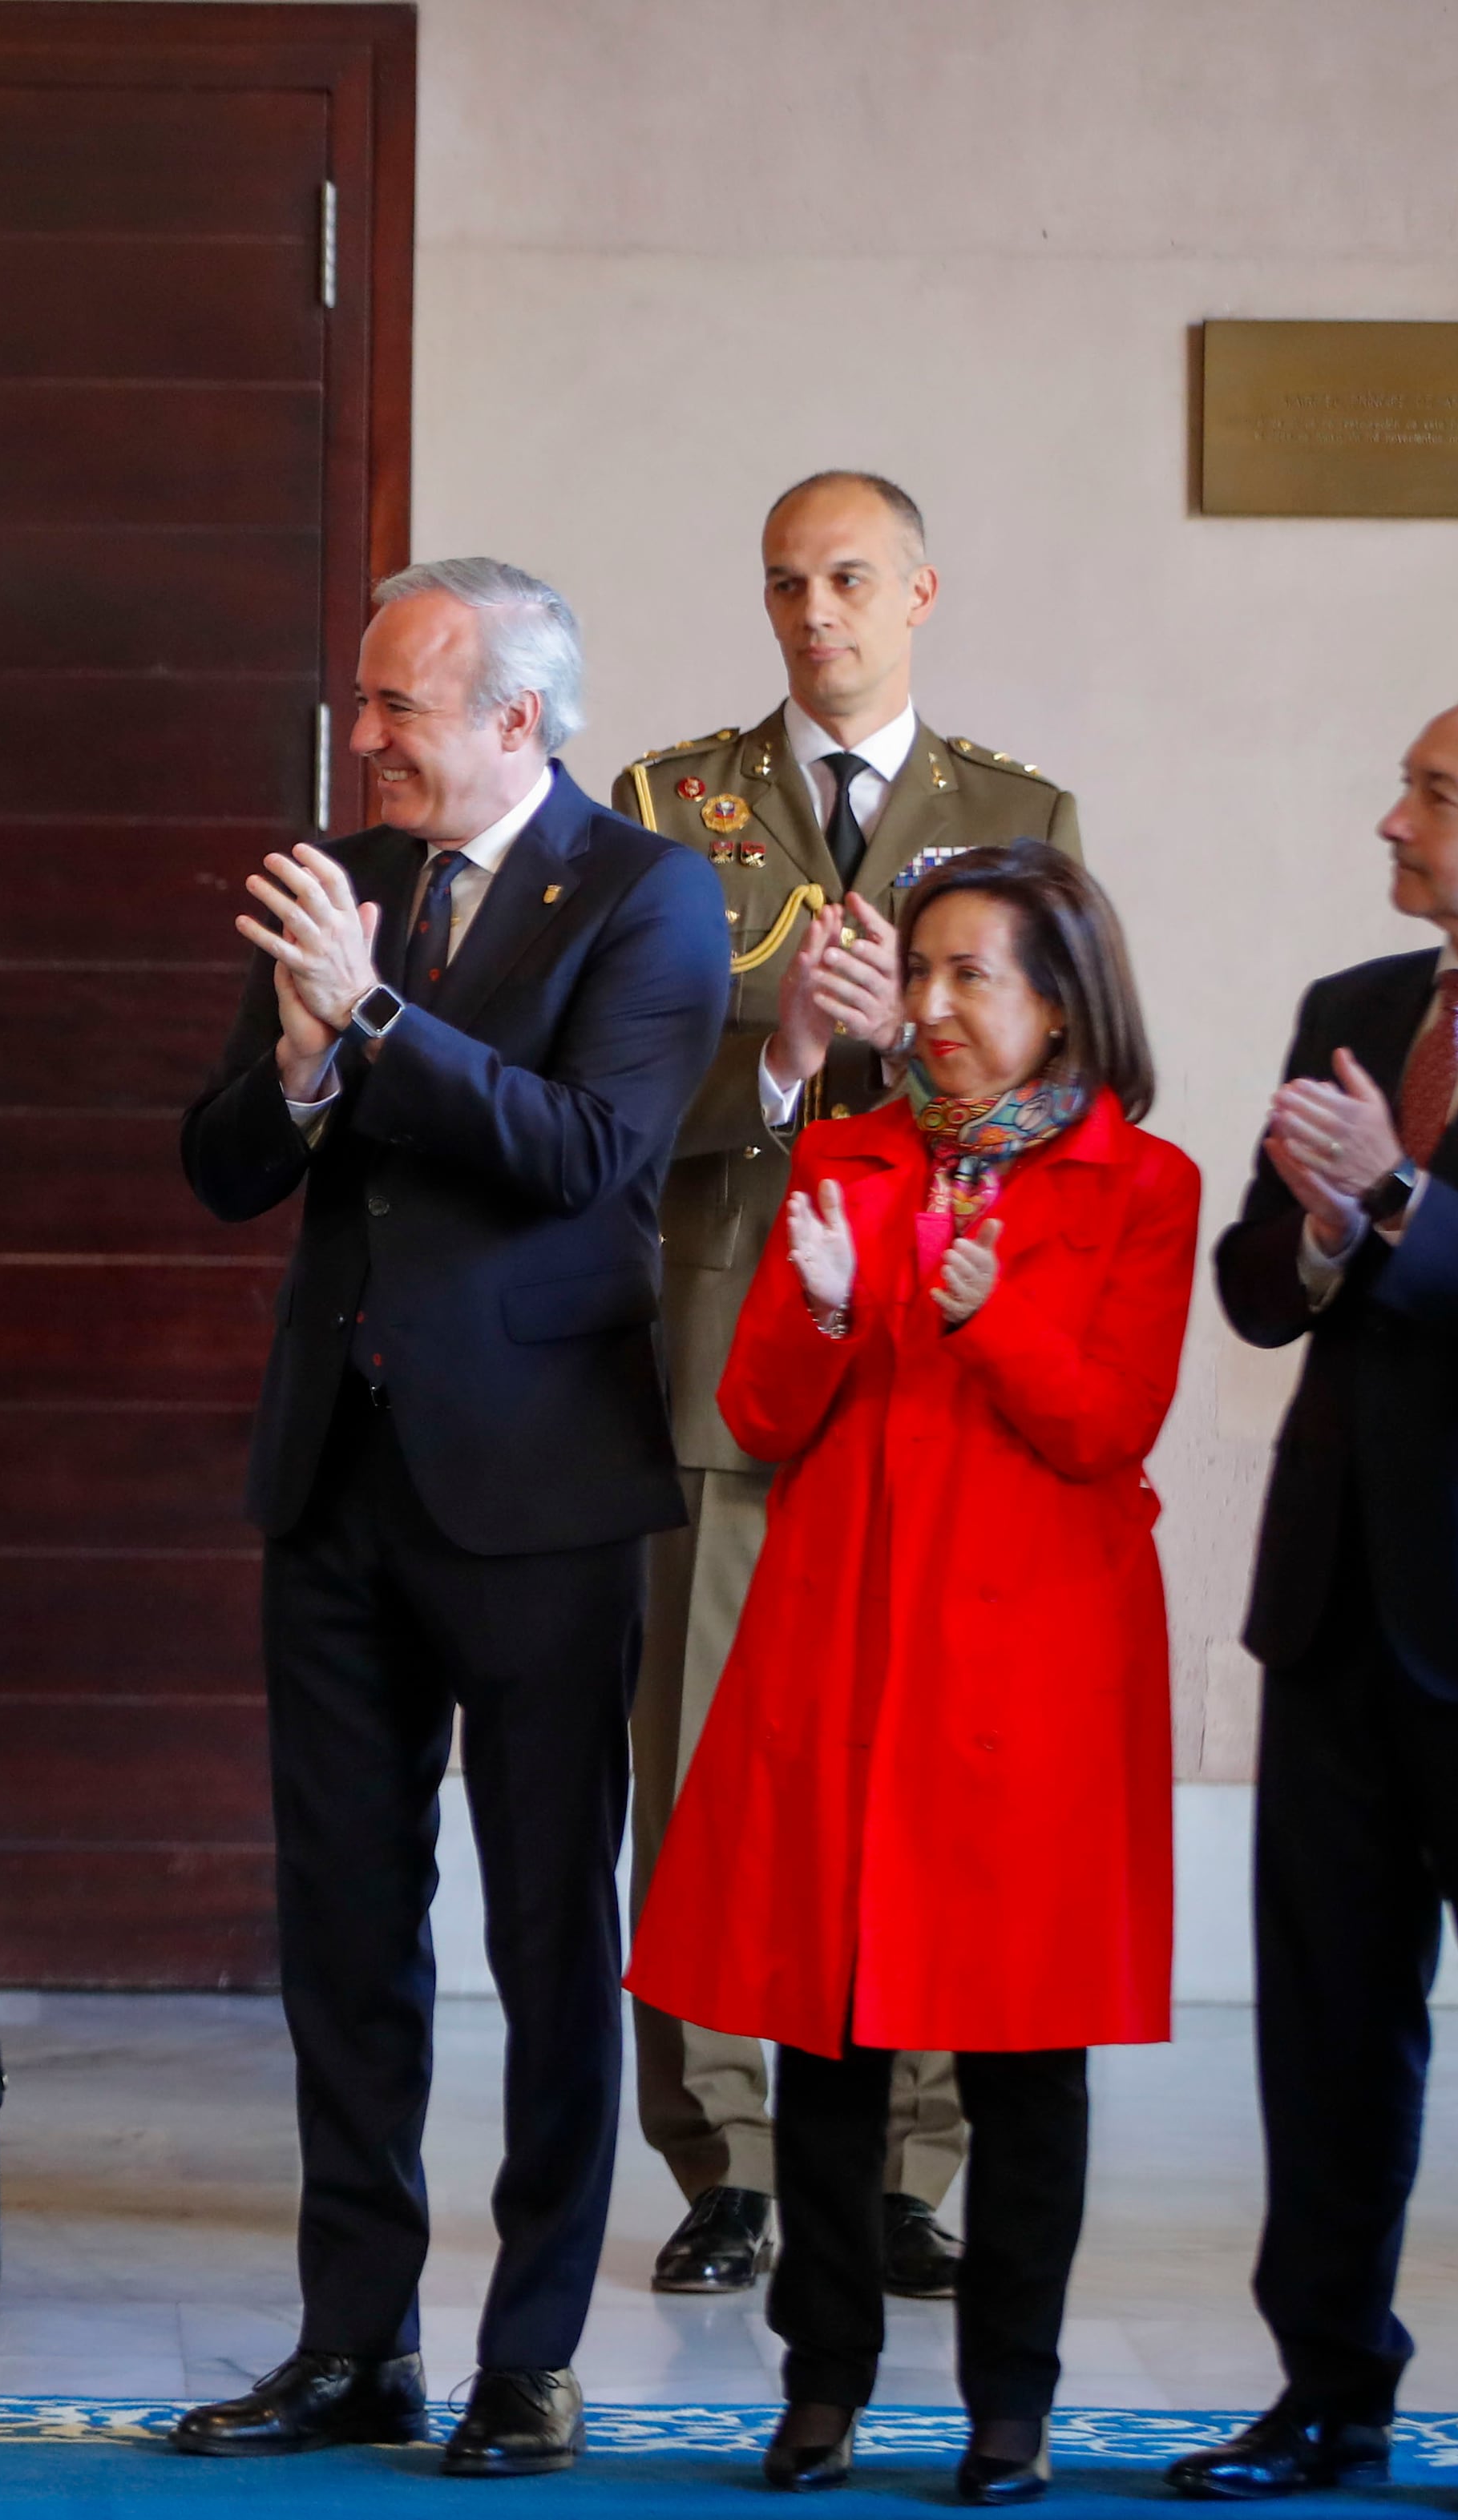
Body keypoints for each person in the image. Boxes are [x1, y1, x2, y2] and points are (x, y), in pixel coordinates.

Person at [172, 561, 728, 2478]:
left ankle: (533, 2349)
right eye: (362, 697)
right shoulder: (344, 874)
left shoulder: (650, 893)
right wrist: (310, 1053)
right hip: (334, 1471)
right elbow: (221, 1161)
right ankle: (352, 2342)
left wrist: (377, 1023)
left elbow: (590, 1156)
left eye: (401, 705)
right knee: (343, 1927)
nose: (366, 734)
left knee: (551, 1926)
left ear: (520, 718)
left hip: (541, 1490)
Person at [628, 845, 1191, 2504]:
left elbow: (1105, 1423)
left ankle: (1008, 2403)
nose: (931, 1010)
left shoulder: (1137, 1186)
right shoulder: (850, 1152)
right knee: (830, 2036)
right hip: (847, 1642)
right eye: (920, 975)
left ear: (1061, 1002)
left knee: (1026, 2055)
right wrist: (812, 1311)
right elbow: (755, 1415)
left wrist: (984, 1310)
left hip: (1031, 1672)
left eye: (973, 979)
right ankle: (820, 2388)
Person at [613, 474, 1084, 2300]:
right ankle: (725, 2154)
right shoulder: (671, 809)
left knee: (932, 1767)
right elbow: (629, 1091)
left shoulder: (1014, 813)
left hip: (935, 1353)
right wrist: (791, 1050)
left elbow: (1061, 1070)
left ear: (920, 592)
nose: (816, 613)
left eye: (849, 580)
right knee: (712, 1760)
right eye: (786, 584)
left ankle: (905, 2161)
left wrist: (937, 1049)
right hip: (729, 1338)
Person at [1180, 692, 1458, 2520]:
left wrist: (1402, 1201)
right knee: (1330, 2024)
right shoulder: (1357, 1009)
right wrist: (1334, 1228)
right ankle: (1324, 2385)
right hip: (1339, 1596)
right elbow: (1262, 1288)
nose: (1393, 821)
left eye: (1438, 794)